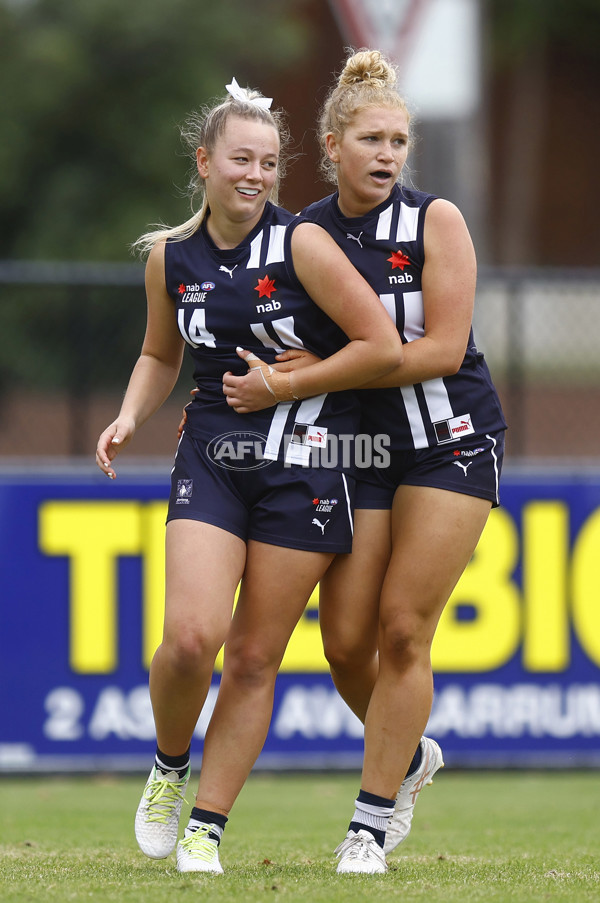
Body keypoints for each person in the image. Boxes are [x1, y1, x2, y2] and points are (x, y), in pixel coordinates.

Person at [95, 78, 402, 875]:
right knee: (192, 638)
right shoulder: (171, 256)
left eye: (268, 162)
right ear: (205, 162)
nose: (256, 174)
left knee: (255, 655)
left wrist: (288, 383)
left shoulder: (302, 243)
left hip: (309, 461)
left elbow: (379, 345)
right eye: (240, 158)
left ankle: (206, 827)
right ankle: (168, 764)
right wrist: (130, 415)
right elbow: (162, 353)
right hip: (215, 455)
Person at [224, 49, 507, 874]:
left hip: (451, 439)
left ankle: (370, 822)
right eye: (372, 139)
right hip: (367, 448)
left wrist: (295, 383)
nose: (388, 154)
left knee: (403, 628)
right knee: (345, 642)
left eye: (399, 140)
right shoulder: (303, 232)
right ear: (331, 144)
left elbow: (443, 349)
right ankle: (412, 754)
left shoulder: (436, 222)